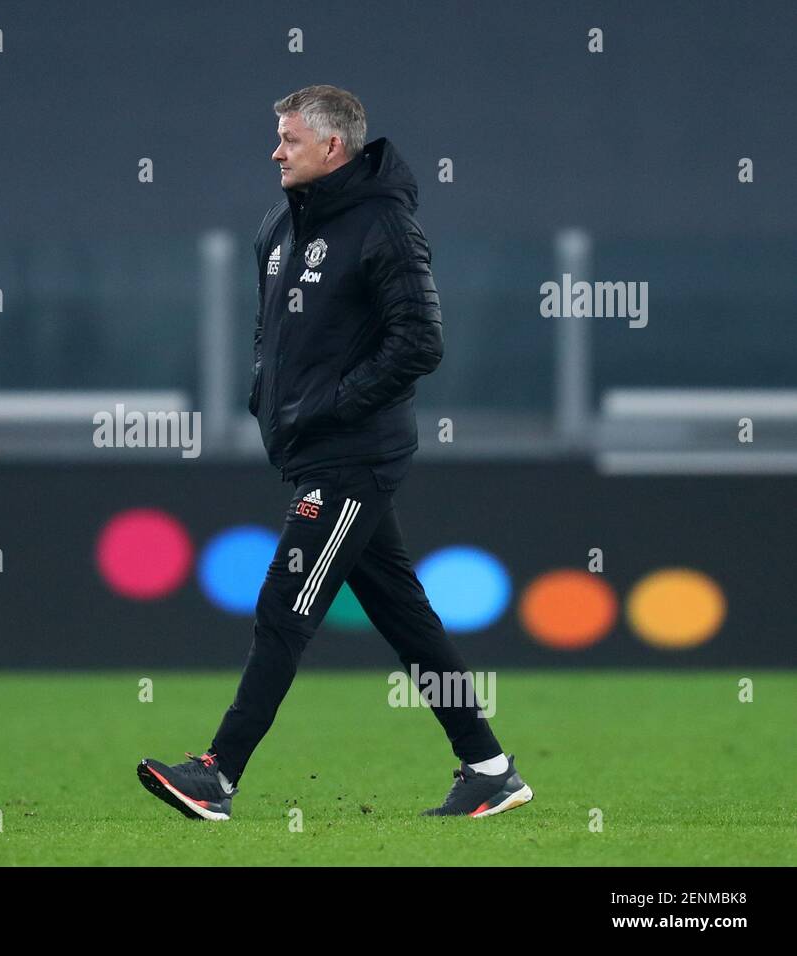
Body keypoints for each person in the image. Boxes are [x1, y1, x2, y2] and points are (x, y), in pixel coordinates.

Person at [138, 85, 533, 820]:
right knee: (403, 613)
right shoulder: (279, 227)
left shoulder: (384, 224)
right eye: (277, 137)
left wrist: (328, 406)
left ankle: (217, 774)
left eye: (288, 139)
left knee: (285, 604)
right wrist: (270, 397)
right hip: (315, 448)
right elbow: (273, 333)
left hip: (356, 452)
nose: (275, 151)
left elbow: (420, 341)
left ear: (332, 147)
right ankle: (489, 766)